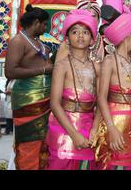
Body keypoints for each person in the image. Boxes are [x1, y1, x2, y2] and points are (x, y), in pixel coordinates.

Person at [46, 10, 100, 170]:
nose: (81, 36)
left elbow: (102, 101)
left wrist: (95, 128)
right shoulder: (62, 66)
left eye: (85, 32)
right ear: (67, 37)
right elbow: (55, 104)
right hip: (63, 129)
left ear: (92, 38)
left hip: (89, 128)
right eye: (75, 32)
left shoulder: (97, 67)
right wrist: (74, 135)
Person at [95, 11, 131, 170]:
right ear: (128, 36)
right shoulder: (109, 61)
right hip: (115, 125)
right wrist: (111, 128)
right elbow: (101, 98)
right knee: (114, 162)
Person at [5, 4, 53, 170]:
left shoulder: (38, 43)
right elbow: (10, 71)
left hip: (44, 99)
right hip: (27, 100)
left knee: (43, 143)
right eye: (44, 24)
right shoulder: (18, 41)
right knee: (29, 144)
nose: (45, 27)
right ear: (36, 22)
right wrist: (43, 69)